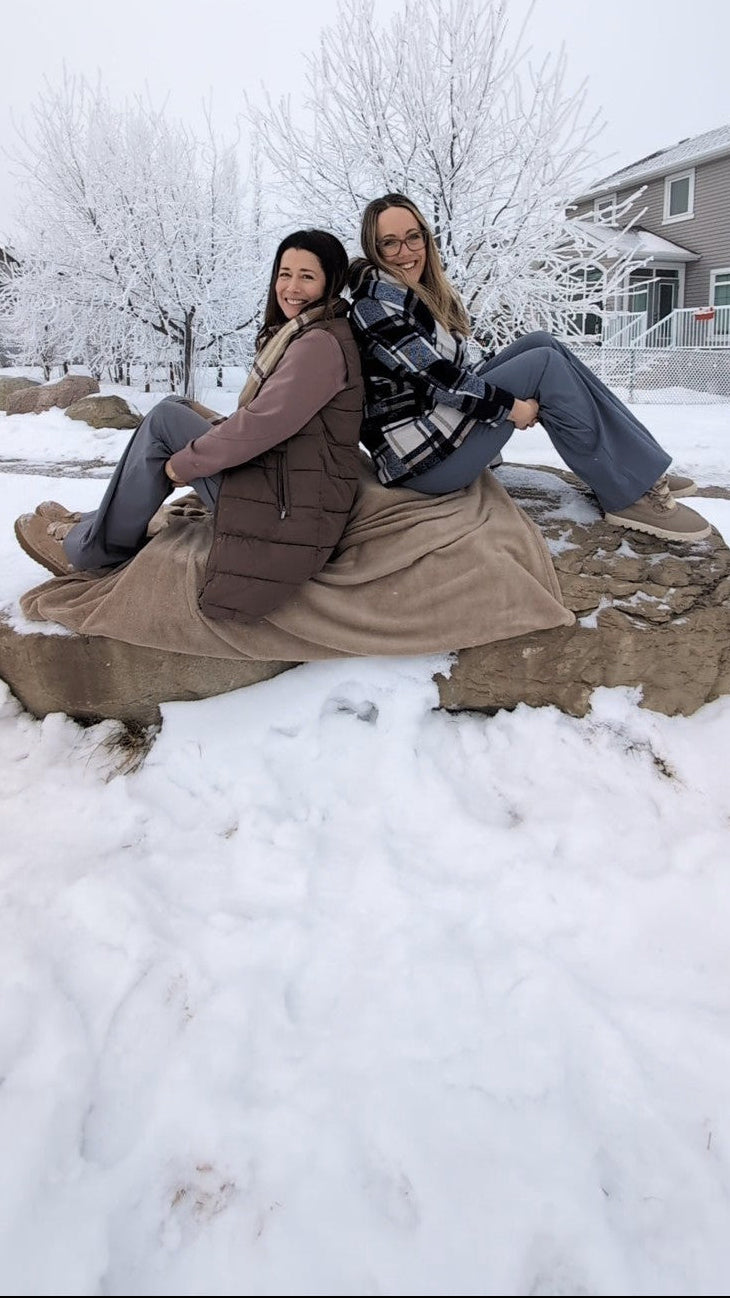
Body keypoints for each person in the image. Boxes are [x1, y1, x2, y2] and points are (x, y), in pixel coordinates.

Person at [14, 230, 365, 622]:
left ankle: (88, 550)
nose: (291, 287)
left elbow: (260, 426)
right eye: (285, 274)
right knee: (175, 405)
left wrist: (182, 465)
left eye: (307, 276)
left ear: (329, 282)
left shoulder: (318, 344)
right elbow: (279, 420)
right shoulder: (312, 333)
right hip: (285, 487)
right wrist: (208, 426)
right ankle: (100, 522)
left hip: (286, 512)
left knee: (165, 420)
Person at [348, 192, 711, 543]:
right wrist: (512, 407)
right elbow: (437, 378)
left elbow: (453, 368)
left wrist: (502, 390)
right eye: (390, 243)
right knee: (543, 365)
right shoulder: (375, 306)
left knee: (542, 342)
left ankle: (640, 468)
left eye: (414, 237)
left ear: (427, 238)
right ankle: (627, 494)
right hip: (420, 460)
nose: (406, 252)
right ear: (373, 249)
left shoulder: (407, 295)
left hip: (437, 429)